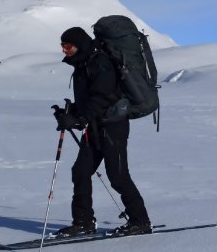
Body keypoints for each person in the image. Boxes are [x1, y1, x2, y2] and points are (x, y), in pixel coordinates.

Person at [53, 26, 153, 237]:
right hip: (95, 126)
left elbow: (101, 97)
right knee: (80, 171)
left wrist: (79, 119)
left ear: (79, 44)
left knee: (117, 176)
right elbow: (88, 100)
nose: (64, 50)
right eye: (62, 46)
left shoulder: (100, 63)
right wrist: (69, 113)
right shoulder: (81, 64)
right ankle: (83, 222)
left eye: (68, 45)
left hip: (113, 126)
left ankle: (140, 221)